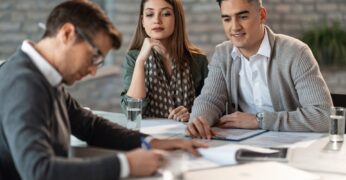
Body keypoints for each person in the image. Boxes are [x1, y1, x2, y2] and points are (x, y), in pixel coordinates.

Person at [0, 1, 207, 180]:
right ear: (67, 34)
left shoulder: (43, 77)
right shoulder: (24, 83)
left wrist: (152, 142)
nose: (92, 71)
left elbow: (90, 126)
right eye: (95, 57)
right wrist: (126, 164)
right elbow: (39, 171)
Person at [186, 0, 333, 139]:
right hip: (242, 145)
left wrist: (259, 120)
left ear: (262, 15)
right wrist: (198, 120)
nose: (235, 27)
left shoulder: (296, 52)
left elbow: (323, 116)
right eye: (227, 19)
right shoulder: (223, 54)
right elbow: (211, 99)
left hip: (291, 147)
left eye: (243, 17)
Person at [120, 0, 209, 122]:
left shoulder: (198, 61)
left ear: (177, 19)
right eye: (150, 14)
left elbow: (211, 106)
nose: (157, 20)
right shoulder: (134, 58)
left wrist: (192, 115)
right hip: (149, 136)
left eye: (165, 14)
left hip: (187, 135)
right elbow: (132, 113)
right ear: (142, 21)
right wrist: (140, 61)